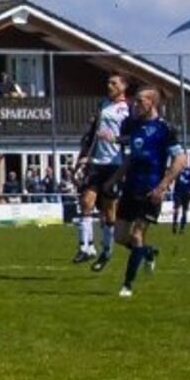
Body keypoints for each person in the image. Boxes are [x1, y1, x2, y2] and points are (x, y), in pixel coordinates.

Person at [108, 86, 185, 298]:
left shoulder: (165, 128)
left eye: (140, 101)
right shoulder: (134, 126)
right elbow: (131, 157)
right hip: (130, 187)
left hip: (151, 191)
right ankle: (148, 253)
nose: (135, 104)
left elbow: (180, 159)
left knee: (137, 234)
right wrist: (114, 179)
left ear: (152, 103)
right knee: (120, 236)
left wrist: (163, 186)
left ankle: (127, 285)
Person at [70, 75, 129, 268]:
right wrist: (83, 158)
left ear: (124, 87)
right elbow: (91, 136)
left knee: (109, 212)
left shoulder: (128, 110)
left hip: (115, 164)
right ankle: (86, 247)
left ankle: (107, 250)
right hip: (96, 162)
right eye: (108, 82)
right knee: (86, 201)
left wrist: (116, 139)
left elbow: (131, 137)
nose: (109, 86)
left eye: (114, 83)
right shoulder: (102, 105)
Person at [171, 161, 190, 234]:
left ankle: (182, 229)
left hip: (187, 194)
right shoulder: (177, 171)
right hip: (178, 193)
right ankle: (174, 224)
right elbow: (171, 179)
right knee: (176, 210)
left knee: (185, 212)